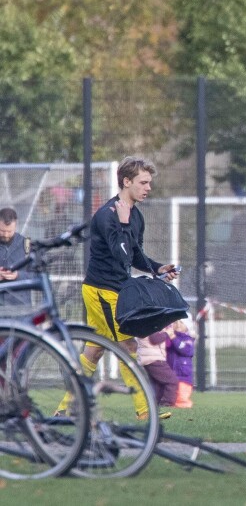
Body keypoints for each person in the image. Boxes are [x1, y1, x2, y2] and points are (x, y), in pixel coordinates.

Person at [68, 156, 180, 420]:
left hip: (114, 291)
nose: (148, 188)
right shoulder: (108, 215)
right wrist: (125, 222)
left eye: (149, 183)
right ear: (126, 181)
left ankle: (64, 408)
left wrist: (157, 268)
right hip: (101, 291)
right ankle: (144, 411)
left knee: (94, 351)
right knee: (127, 346)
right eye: (143, 182)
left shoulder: (136, 217)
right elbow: (120, 255)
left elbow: (133, 255)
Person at [137, 323, 180, 407]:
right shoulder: (150, 323)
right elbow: (155, 339)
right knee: (172, 381)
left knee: (158, 384)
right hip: (154, 358)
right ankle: (167, 403)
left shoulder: (144, 323)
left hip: (148, 358)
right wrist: (167, 333)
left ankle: (154, 405)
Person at [0, 207, 32, 306]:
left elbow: (37, 275)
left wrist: (18, 275)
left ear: (16, 225)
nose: (6, 235)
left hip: (21, 307)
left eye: (9, 231)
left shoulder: (27, 244)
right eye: (1, 230)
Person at [167, 316, 196, 408]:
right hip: (170, 375)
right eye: (175, 322)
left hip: (183, 375)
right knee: (170, 395)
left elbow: (185, 350)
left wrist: (173, 338)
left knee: (182, 396)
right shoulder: (168, 339)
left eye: (182, 322)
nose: (178, 325)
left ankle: (184, 406)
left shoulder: (188, 339)